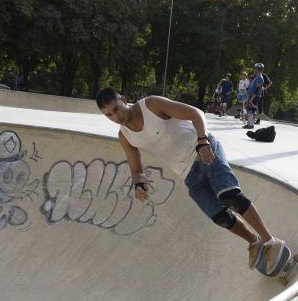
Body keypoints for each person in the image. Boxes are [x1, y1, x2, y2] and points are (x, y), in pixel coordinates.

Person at [96, 87, 286, 272]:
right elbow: (136, 169)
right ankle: (254, 242)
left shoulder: (151, 105)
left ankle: (270, 240)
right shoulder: (125, 136)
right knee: (218, 216)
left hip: (203, 149)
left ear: (123, 99)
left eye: (116, 109)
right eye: (109, 115)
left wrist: (203, 140)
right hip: (187, 173)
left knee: (229, 196)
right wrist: (139, 183)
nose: (116, 117)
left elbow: (195, 113)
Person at [243, 63, 265, 130]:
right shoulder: (257, 77)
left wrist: (252, 97)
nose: (254, 69)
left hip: (255, 96)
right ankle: (250, 124)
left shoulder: (259, 78)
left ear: (258, 69)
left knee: (250, 109)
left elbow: (258, 89)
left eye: (255, 68)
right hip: (252, 95)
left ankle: (250, 125)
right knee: (250, 109)